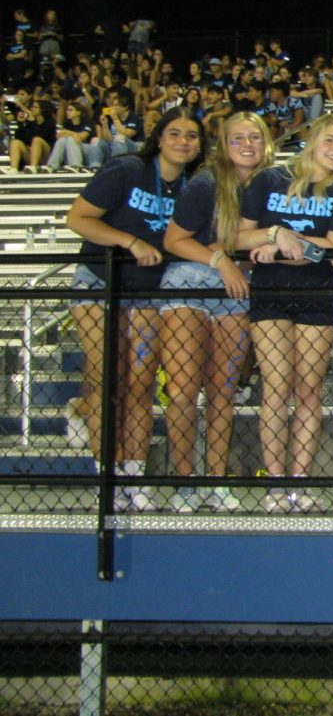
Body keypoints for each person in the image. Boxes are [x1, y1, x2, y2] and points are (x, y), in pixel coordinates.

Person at [65, 107, 206, 511]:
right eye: (175, 133)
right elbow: (78, 218)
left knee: (140, 384)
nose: (183, 141)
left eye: (192, 136)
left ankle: (134, 473)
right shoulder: (126, 170)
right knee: (112, 377)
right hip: (100, 284)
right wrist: (129, 241)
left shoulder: (194, 186)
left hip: (148, 291)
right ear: (159, 138)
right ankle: (106, 475)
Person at [238, 114, 333, 512]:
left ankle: (299, 481)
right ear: (312, 141)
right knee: (277, 386)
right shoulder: (269, 179)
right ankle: (275, 482)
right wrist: (275, 235)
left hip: (316, 291)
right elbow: (240, 236)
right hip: (270, 291)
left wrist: (286, 246)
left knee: (308, 389)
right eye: (330, 140)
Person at [160, 113, 275, 512]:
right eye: (237, 138)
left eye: (255, 137)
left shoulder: (273, 184)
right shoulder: (207, 182)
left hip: (236, 289)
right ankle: (184, 483)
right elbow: (173, 239)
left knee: (223, 392)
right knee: (183, 390)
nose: (247, 145)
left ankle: (216, 479)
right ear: (224, 145)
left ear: (266, 143)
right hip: (190, 282)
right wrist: (220, 261)